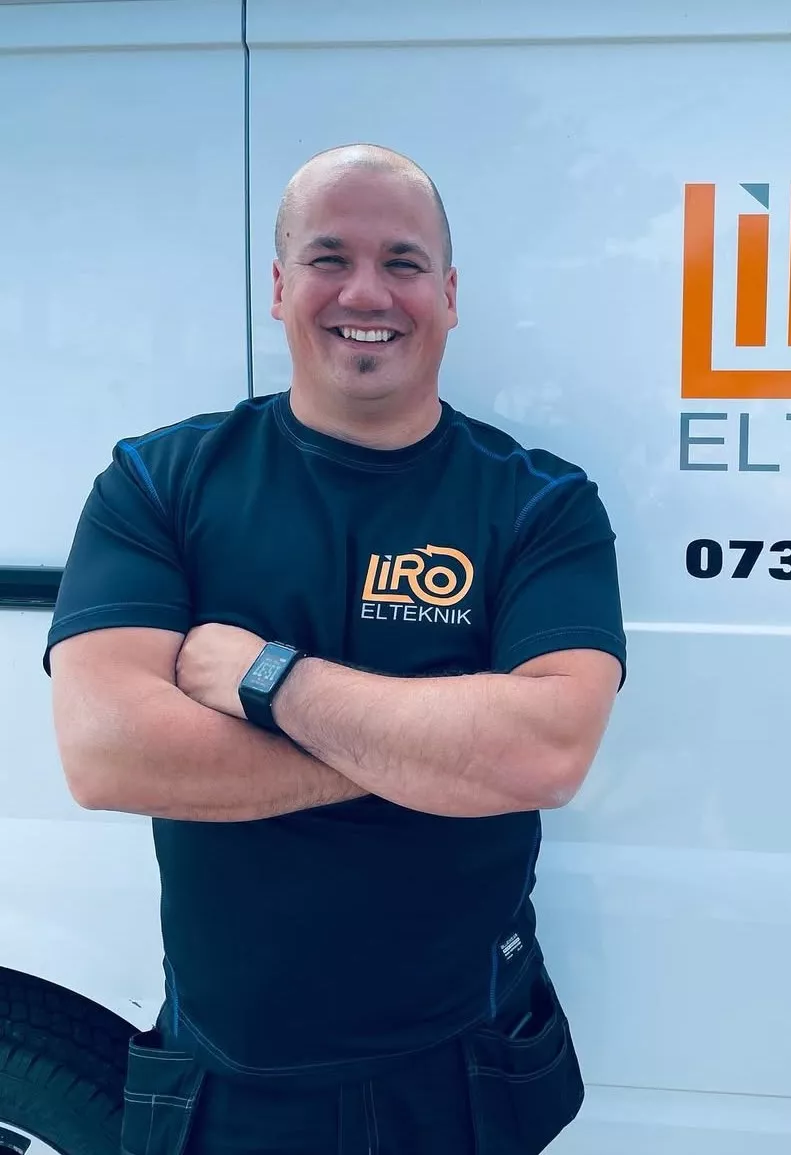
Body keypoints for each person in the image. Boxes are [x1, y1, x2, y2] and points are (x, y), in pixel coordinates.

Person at [44, 143, 626, 1155]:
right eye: (329, 258)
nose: (367, 292)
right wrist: (432, 751)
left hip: (464, 1067)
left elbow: (543, 754)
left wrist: (267, 680)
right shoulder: (159, 481)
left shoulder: (541, 502)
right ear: (279, 288)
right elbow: (108, 754)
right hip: (230, 1078)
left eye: (403, 262)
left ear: (449, 295)